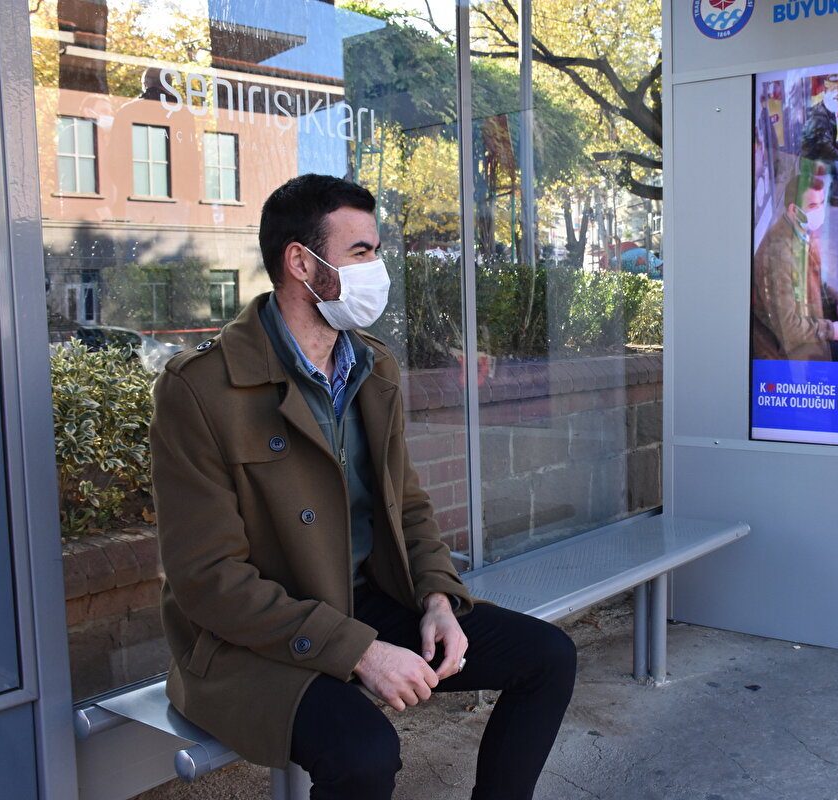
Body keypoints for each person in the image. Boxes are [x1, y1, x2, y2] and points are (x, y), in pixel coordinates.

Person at [150, 174, 576, 800]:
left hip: (363, 604)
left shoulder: (373, 366)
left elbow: (407, 506)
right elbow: (207, 581)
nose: (377, 268)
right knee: (365, 752)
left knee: (547, 657)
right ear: (301, 262)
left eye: (375, 250)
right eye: (361, 253)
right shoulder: (200, 390)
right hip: (251, 641)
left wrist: (437, 598)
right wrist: (360, 653)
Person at [751, 167, 838, 362]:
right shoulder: (779, 256)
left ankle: (828, 361)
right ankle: (823, 367)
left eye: (821, 203)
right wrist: (830, 330)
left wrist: (837, 301)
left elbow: (813, 279)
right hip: (783, 342)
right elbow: (788, 327)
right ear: (793, 210)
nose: (819, 211)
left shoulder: (799, 231)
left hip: (803, 310)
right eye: (812, 206)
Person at [801, 78, 838, 208]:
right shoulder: (819, 117)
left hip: (824, 156)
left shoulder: (828, 113)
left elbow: (831, 140)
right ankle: (834, 196)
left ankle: (836, 187)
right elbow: (824, 146)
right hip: (815, 160)